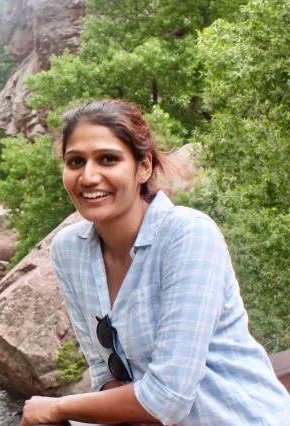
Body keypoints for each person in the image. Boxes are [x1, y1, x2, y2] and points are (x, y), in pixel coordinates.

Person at [19, 100, 290, 426]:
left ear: (144, 167)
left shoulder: (188, 235)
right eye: (75, 161)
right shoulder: (69, 251)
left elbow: (169, 398)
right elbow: (105, 366)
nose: (88, 176)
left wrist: (58, 408)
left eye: (108, 159)